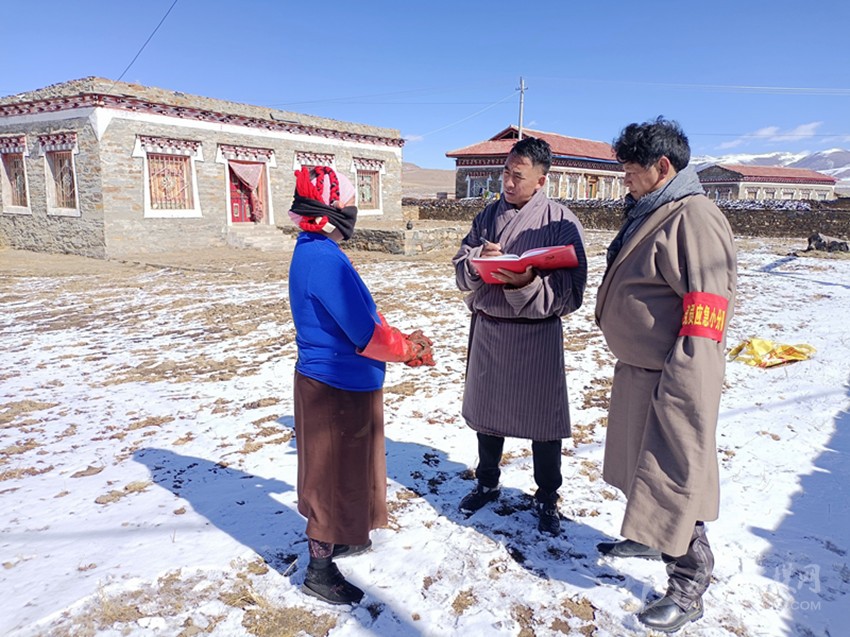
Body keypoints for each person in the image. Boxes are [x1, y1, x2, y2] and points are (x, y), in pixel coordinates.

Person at [594, 117, 737, 632]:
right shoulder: (654, 209)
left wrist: (687, 382)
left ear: (662, 166)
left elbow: (707, 311)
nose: (625, 181)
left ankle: (688, 584)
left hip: (674, 376)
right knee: (639, 465)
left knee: (675, 476)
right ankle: (649, 536)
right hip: (640, 371)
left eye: (631, 171)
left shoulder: (694, 218)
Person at [288, 166, 434, 605]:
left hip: (343, 380)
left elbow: (363, 316)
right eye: (350, 204)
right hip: (333, 386)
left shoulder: (317, 249)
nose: (354, 212)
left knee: (349, 470)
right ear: (333, 209)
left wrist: (401, 341)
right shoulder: (322, 259)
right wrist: (407, 349)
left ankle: (343, 537)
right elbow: (364, 333)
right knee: (329, 476)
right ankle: (319, 570)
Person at [452, 136, 587, 536]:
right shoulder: (488, 216)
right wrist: (477, 263)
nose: (508, 183)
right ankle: (487, 482)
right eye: (505, 173)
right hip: (490, 330)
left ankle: (547, 495)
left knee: (543, 422)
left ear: (541, 181)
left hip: (536, 336)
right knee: (488, 414)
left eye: (518, 176)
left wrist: (526, 282)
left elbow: (571, 294)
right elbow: (461, 266)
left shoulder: (560, 223)